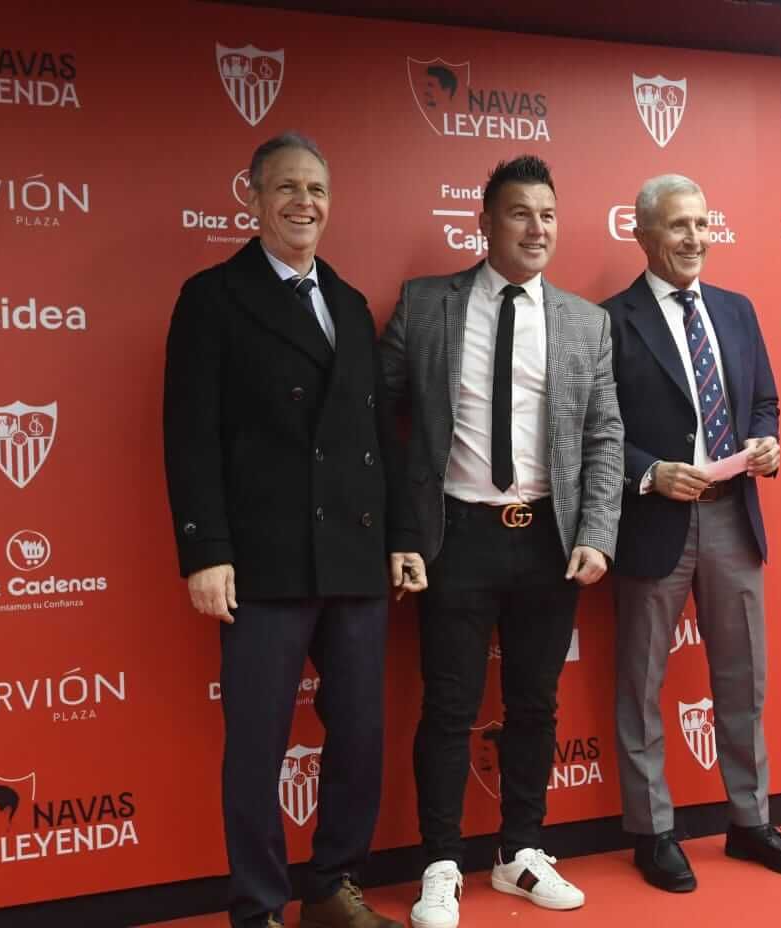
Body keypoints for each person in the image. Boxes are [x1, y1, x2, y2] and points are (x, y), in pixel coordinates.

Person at [163, 132, 414, 928]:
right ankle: (258, 906)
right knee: (258, 744)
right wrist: (206, 551)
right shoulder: (212, 297)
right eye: (288, 188)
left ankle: (333, 886)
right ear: (252, 197)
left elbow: (377, 438)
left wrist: (401, 537)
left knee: (361, 735)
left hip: (355, 558)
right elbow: (190, 436)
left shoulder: (349, 303)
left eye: (317, 190)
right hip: (263, 560)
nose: (305, 203)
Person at [380, 154, 623, 928]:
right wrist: (399, 529)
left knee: (535, 705)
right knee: (449, 706)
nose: (537, 228)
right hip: (455, 535)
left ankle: (521, 850)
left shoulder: (587, 322)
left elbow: (605, 436)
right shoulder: (426, 305)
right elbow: (377, 421)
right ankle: (441, 864)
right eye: (520, 213)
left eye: (548, 214)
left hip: (548, 539)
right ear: (484, 223)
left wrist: (597, 532)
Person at [602, 174, 781, 893]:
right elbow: (594, 428)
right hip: (653, 520)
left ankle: (750, 821)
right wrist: (649, 472)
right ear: (642, 235)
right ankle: (652, 831)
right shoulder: (610, 321)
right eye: (677, 226)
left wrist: (767, 440)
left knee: (742, 676)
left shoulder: (737, 309)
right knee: (640, 682)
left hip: (733, 513)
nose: (694, 238)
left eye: (702, 224)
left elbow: (765, 400)